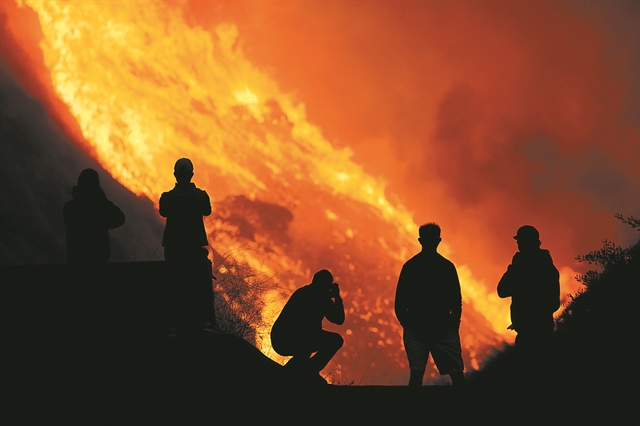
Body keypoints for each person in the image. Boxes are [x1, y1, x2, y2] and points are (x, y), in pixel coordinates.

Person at [395, 223, 466, 387]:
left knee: (416, 374)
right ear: (439, 240)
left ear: (420, 240)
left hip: (418, 328)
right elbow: (456, 299)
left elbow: (400, 300)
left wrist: (407, 323)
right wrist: (453, 323)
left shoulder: (411, 266)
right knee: (456, 374)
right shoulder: (446, 267)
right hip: (441, 327)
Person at [159, 158, 214, 334]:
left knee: (173, 286)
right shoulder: (200, 196)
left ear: (175, 174)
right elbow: (207, 210)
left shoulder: (167, 198)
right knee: (199, 286)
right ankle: (204, 321)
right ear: (191, 174)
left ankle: (172, 323)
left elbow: (164, 211)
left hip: (174, 249)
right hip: (193, 248)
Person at [271, 269, 345, 385]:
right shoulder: (317, 296)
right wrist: (336, 297)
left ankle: (298, 372)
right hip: (288, 338)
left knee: (305, 349)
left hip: (283, 339)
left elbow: (338, 320)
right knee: (334, 341)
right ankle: (308, 371)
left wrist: (335, 298)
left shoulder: (305, 292)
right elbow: (338, 319)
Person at [498, 225, 560, 357]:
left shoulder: (534, 269)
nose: (519, 245)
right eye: (518, 242)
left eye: (521, 241)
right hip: (539, 330)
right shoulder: (547, 267)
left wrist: (514, 269)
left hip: (535, 332)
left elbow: (502, 290)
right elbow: (502, 291)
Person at [63, 168, 125, 264]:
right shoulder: (100, 208)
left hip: (75, 260)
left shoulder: (69, 207)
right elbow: (119, 218)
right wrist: (103, 199)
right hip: (98, 260)